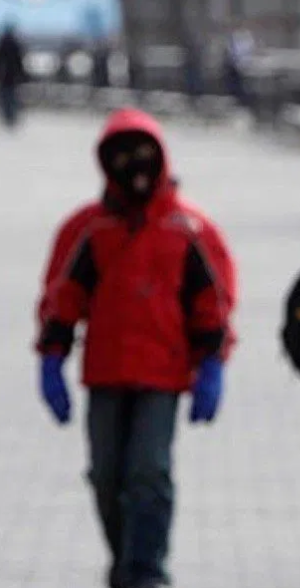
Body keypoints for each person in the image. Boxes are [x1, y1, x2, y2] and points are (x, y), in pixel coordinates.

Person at [35, 108, 237, 588]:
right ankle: (124, 559)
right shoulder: (89, 229)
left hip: (162, 373)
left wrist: (212, 363)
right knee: (106, 474)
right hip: (105, 371)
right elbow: (64, 295)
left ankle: (146, 570)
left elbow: (212, 301)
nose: (135, 166)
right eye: (123, 156)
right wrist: (51, 357)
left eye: (144, 153)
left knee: (149, 469)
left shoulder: (188, 229)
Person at [0, 24, 27, 128]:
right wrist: (21, 74)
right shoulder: (14, 44)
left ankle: (9, 115)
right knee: (11, 95)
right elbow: (19, 60)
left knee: (7, 95)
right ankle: (11, 115)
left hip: (5, 74)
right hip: (12, 74)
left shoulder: (4, 43)